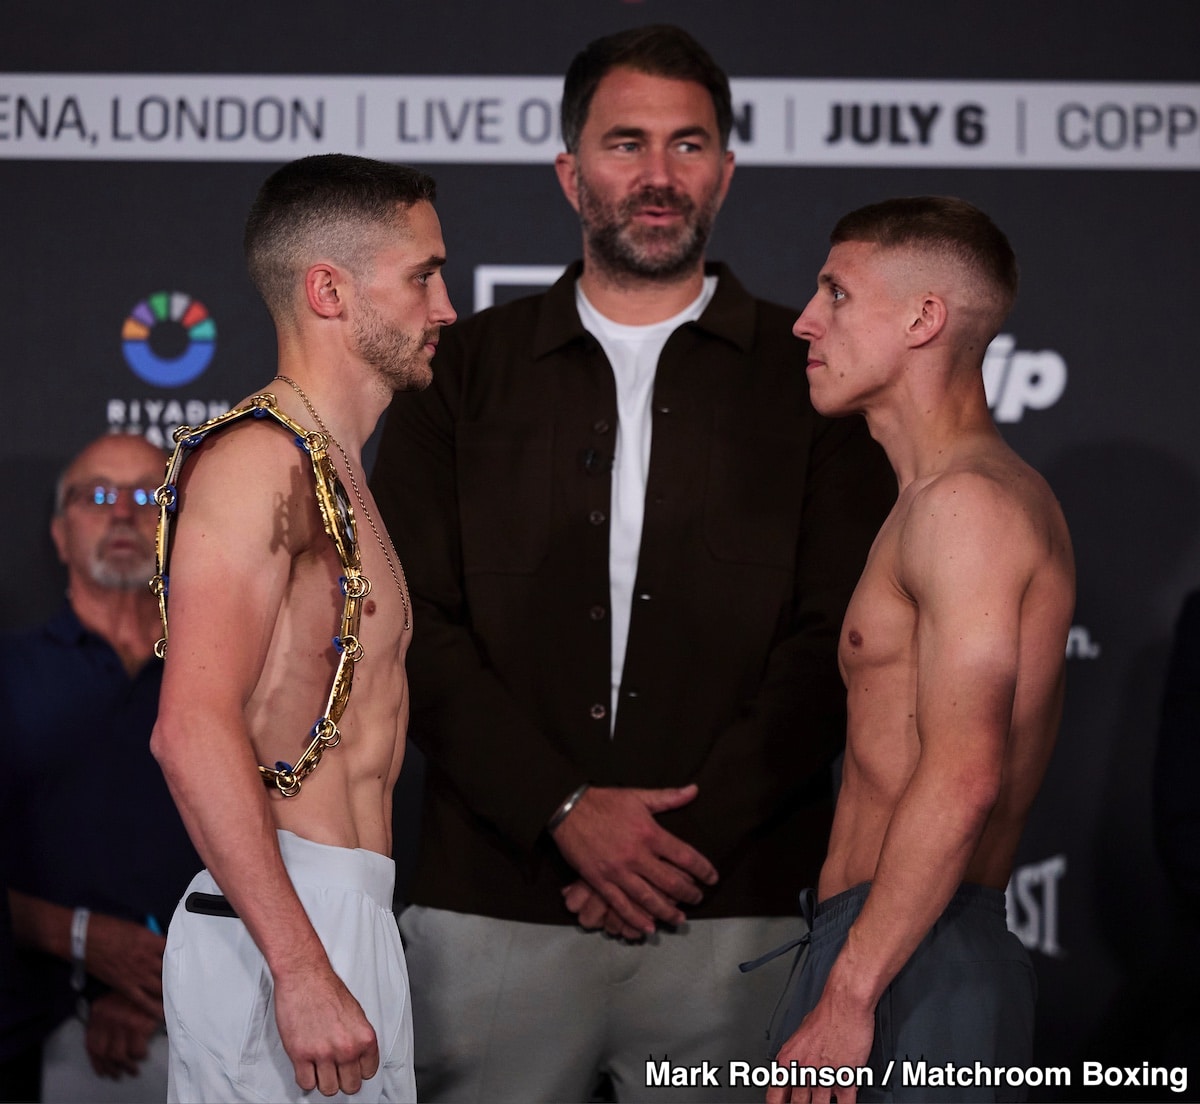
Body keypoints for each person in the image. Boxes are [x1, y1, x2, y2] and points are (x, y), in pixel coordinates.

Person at [370, 24, 895, 1104]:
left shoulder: (818, 381)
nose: (657, 176)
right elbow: (409, 619)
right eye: (625, 143)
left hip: (735, 908)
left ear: (728, 170)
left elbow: (834, 642)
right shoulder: (457, 368)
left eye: (688, 144)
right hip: (492, 907)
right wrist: (564, 810)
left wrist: (677, 843)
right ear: (570, 171)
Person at [149, 153, 455, 1103]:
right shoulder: (258, 464)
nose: (444, 307)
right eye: (422, 276)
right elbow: (190, 727)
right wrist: (303, 967)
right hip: (285, 928)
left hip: (339, 915)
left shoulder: (338, 468)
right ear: (329, 289)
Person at [768, 196, 1076, 1104]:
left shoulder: (965, 508)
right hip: (892, 948)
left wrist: (851, 993)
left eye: (836, 292)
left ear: (923, 318)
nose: (805, 321)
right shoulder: (933, 500)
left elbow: (965, 774)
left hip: (911, 962)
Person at [0, 432, 200, 1104]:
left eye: (148, 495)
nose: (122, 512)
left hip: (215, 1020)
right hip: (29, 1028)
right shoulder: (8, 674)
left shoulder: (229, 679)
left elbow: (278, 846)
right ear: (59, 535)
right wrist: (84, 939)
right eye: (97, 496)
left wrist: (160, 982)